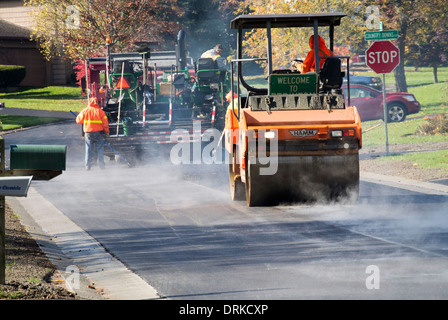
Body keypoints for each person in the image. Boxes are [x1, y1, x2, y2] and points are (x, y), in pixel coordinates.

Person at [76, 97, 110, 170]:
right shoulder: (100, 111)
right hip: (99, 133)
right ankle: (101, 165)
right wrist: (106, 131)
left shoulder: (85, 111)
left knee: (88, 149)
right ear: (97, 102)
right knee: (100, 148)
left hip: (88, 132)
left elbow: (78, 121)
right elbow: (105, 123)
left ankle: (87, 166)